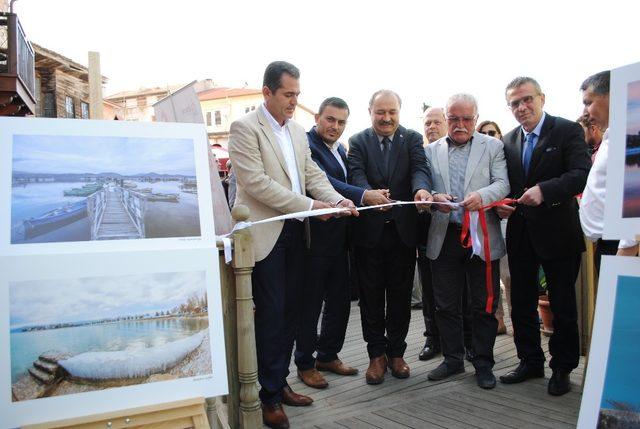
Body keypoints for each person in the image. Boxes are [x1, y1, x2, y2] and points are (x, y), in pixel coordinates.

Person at [228, 61, 357, 429]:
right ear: (266, 92)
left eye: (297, 95)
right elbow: (256, 184)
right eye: (288, 94)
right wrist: (313, 206)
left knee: (292, 315)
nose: (293, 101)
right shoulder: (243, 128)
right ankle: (267, 399)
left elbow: (312, 173)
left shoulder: (298, 131)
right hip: (265, 235)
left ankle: (279, 383)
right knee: (270, 315)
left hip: (298, 233)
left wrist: (335, 200)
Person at [496, 76, 591, 397]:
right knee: (521, 303)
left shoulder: (566, 131)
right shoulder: (507, 142)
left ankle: (562, 368)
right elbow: (505, 185)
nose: (522, 108)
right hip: (520, 234)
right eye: (514, 103)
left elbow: (581, 174)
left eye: (527, 100)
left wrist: (545, 191)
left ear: (542, 98)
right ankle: (530, 361)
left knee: (563, 305)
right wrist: (500, 206)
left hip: (559, 233)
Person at [294, 97, 390, 389]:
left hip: (342, 240)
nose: (335, 126)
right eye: (330, 119)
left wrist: (371, 194)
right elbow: (323, 183)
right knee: (310, 305)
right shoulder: (305, 146)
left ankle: (327, 354)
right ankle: (304, 363)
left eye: (341, 122)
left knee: (339, 301)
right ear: (317, 118)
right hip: (315, 239)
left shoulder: (341, 149)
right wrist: (365, 195)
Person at [425, 93, 509, 389]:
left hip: (481, 234)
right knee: (445, 304)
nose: (460, 124)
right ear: (445, 118)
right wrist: (434, 197)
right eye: (453, 118)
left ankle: (483, 363)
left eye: (466, 119)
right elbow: (422, 184)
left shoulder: (494, 147)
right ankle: (452, 359)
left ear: (476, 118)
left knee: (484, 303)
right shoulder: (430, 150)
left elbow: (503, 183)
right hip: (444, 234)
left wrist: (482, 197)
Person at [348, 89, 432, 385]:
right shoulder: (358, 142)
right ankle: (376, 356)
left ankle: (397, 353)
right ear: (370, 111)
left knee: (399, 297)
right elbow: (355, 175)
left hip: (403, 233)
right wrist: (368, 194)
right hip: (369, 234)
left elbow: (419, 170)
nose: (386, 118)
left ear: (399, 111)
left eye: (391, 112)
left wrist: (422, 190)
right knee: (371, 299)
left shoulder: (411, 139)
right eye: (380, 112)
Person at [416, 106, 475, 362]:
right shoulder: (422, 154)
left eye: (436, 122)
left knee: (465, 293)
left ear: (446, 124)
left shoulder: (459, 149)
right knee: (431, 292)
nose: (431, 127)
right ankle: (433, 338)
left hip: (464, 231)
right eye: (427, 123)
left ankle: (467, 341)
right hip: (428, 232)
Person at [579, 71, 638, 271]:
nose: (585, 112)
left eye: (589, 102)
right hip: (610, 244)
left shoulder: (631, 136)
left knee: (623, 304)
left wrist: (625, 252)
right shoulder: (615, 135)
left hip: (623, 249)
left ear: (612, 95)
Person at [477, 120, 509, 336]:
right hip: (482, 222)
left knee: (508, 276)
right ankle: (498, 318)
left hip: (507, 220)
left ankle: (515, 317)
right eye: (483, 133)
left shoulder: (507, 154)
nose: (488, 136)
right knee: (491, 278)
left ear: (499, 134)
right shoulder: (480, 158)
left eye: (492, 132)